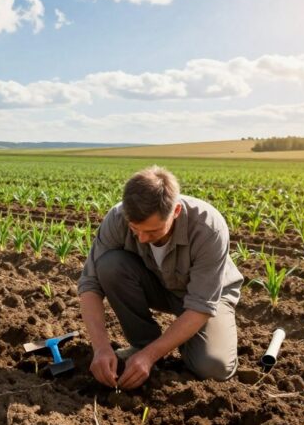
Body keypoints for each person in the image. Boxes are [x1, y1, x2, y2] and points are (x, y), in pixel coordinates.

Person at [78, 166, 243, 390]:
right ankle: (142, 344)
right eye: (136, 229)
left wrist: (151, 355)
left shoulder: (207, 228)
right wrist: (101, 348)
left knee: (213, 368)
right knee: (109, 266)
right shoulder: (117, 218)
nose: (143, 238)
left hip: (206, 297)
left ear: (175, 211)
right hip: (157, 283)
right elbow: (90, 284)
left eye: (153, 231)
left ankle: (175, 344)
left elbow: (202, 305)